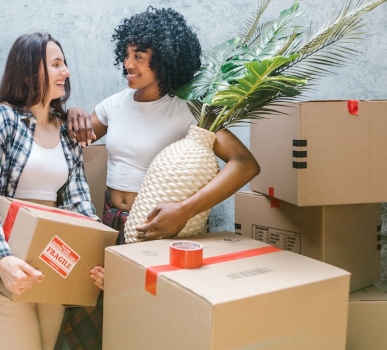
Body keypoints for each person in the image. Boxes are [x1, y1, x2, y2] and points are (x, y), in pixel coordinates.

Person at [61, 7, 261, 349]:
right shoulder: (115, 104)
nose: (128, 64)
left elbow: (244, 164)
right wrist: (73, 112)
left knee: (146, 326)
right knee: (89, 324)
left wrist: (184, 210)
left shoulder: (189, 109)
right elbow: (70, 139)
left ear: (167, 59)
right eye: (126, 54)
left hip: (159, 232)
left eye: (139, 56)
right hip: (110, 224)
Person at [0, 32, 98, 350]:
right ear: (31, 71)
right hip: (9, 268)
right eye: (56, 63)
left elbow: (79, 202)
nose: (66, 71)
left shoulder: (66, 130)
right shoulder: (1, 120)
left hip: (55, 268)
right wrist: (2, 261)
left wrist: (96, 256)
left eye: (65, 63)